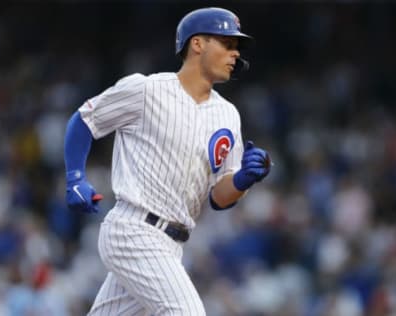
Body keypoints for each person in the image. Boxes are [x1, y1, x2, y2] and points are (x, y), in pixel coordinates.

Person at [63, 7, 271, 315]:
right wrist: (75, 177)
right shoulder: (147, 90)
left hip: (172, 245)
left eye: (236, 48)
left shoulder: (227, 114)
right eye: (227, 44)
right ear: (197, 44)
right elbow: (84, 119)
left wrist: (243, 179)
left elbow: (218, 197)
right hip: (133, 229)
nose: (235, 54)